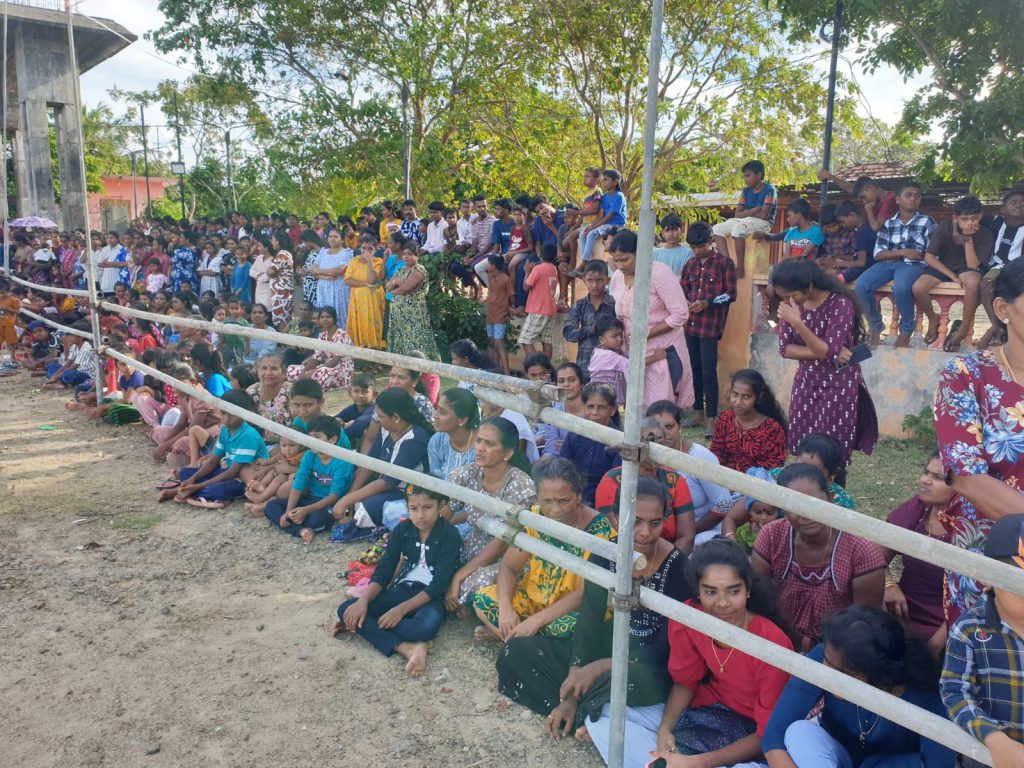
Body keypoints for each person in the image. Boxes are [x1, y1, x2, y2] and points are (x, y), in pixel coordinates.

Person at [499, 478, 692, 741]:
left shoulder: (677, 567)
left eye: (655, 523)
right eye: (635, 522)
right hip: (608, 647)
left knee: (628, 681)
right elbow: (589, 619)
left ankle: (586, 711)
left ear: (665, 520)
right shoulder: (605, 554)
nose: (645, 532)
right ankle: (583, 710)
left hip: (648, 665)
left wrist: (600, 667)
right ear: (616, 518)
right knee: (515, 651)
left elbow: (665, 648)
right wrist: (576, 677)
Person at [590, 538, 794, 768]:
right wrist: (664, 731)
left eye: (733, 591)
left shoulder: (772, 643)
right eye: (711, 592)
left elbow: (768, 734)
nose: (723, 603)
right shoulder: (691, 617)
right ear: (698, 591)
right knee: (605, 718)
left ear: (747, 589)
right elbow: (685, 683)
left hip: (754, 732)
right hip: (709, 711)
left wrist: (697, 763)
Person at [933, 257, 1024, 623]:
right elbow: (966, 476)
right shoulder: (967, 375)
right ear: (1002, 309)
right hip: (990, 554)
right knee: (990, 654)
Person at [763, 606, 955, 768]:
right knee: (799, 732)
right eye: (826, 663)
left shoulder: (928, 700)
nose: (828, 676)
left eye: (843, 673)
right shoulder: (827, 657)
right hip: (833, 756)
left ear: (881, 676)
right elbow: (773, 737)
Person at [473, 458, 613, 641]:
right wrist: (506, 609)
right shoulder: (535, 516)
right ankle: (523, 639)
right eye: (547, 501)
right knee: (483, 599)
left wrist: (537, 620)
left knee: (573, 627)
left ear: (578, 495)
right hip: (535, 600)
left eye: (564, 501)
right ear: (538, 497)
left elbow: (584, 593)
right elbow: (509, 566)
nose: (555, 510)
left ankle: (513, 637)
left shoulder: (599, 531)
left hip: (570, 609)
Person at [752, 463, 885, 651]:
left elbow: (863, 625)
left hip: (840, 648)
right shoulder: (772, 535)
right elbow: (760, 598)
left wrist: (823, 650)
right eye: (794, 506)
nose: (806, 515)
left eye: (814, 503)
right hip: (781, 636)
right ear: (783, 508)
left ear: (831, 498)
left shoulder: (861, 550)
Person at [334, 485, 462, 678]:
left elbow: (439, 584)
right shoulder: (402, 530)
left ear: (441, 506)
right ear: (407, 507)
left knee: (423, 628)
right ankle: (407, 648)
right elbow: (385, 569)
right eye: (414, 508)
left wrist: (399, 611)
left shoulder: (450, 534)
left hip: (431, 597)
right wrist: (363, 601)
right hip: (404, 588)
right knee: (347, 609)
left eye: (427, 507)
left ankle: (371, 626)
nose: (420, 515)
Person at [772, 258, 878, 467]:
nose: (787, 301)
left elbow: (827, 352)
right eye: (782, 297)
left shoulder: (840, 304)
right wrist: (827, 350)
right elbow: (786, 349)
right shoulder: (792, 306)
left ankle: (833, 488)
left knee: (832, 450)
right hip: (806, 382)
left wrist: (798, 323)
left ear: (809, 286)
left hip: (838, 385)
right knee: (803, 447)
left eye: (791, 295)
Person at [941, 513, 1024, 768]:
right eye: (1020, 584)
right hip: (993, 753)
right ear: (988, 578)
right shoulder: (969, 630)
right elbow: (955, 690)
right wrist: (995, 740)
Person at [446, 417, 536, 610]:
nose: (480, 448)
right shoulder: (467, 474)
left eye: (489, 444)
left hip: (508, 556)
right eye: (478, 440)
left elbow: (501, 543)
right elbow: (444, 516)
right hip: (473, 547)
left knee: (474, 583)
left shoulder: (520, 485)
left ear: (507, 453)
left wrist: (460, 575)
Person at [331, 387, 433, 542]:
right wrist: (349, 495)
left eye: (381, 416)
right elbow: (370, 463)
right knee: (346, 491)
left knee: (366, 508)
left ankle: (378, 527)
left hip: (408, 492)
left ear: (396, 417)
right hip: (383, 485)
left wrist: (347, 500)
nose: (377, 420)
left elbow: (389, 482)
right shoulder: (386, 428)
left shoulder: (415, 439)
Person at [609, 229, 693, 411]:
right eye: (616, 260)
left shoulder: (658, 273)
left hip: (661, 351)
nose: (620, 265)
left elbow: (680, 314)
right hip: (631, 353)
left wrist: (646, 334)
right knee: (634, 408)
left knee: (659, 411)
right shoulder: (617, 277)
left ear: (639, 253)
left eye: (625, 259)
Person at [854, 182, 937, 348]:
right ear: (898, 199)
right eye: (909, 195)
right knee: (861, 286)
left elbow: (933, 252)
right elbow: (878, 253)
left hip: (913, 264)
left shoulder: (927, 222)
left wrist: (911, 255)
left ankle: (906, 330)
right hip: (888, 263)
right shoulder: (889, 223)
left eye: (917, 195)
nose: (913, 199)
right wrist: (903, 252)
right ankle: (875, 325)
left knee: (901, 288)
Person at [883, 452, 953, 651]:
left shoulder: (972, 528)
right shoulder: (920, 508)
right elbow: (874, 554)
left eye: (937, 477)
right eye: (925, 472)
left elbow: (974, 600)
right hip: (900, 614)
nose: (925, 480)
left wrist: (935, 647)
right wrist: (888, 584)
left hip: (946, 627)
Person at [594, 417, 697, 552]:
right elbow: (614, 535)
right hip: (623, 556)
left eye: (659, 441)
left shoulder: (675, 481)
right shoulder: (612, 481)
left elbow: (686, 537)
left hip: (669, 555)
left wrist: (668, 562)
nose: (653, 447)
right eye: (648, 441)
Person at [913, 194, 994, 352]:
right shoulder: (945, 227)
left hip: (968, 267)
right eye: (965, 219)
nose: (970, 223)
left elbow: (972, 265)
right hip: (945, 266)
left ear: (980, 216)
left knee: (972, 283)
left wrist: (968, 239)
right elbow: (929, 257)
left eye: (974, 218)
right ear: (956, 219)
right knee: (918, 287)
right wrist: (952, 276)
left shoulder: (986, 234)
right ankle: (933, 318)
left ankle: (963, 327)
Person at [680, 221, 738, 435]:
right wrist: (687, 301)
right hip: (690, 326)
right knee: (694, 370)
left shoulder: (725, 263)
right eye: (693, 247)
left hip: (710, 328)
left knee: (708, 372)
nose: (697, 251)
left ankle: (712, 418)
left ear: (711, 241)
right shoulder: (690, 264)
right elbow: (683, 288)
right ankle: (698, 413)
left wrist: (708, 303)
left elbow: (731, 294)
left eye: (700, 246)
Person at [646, 400, 733, 537]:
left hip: (702, 530)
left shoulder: (700, 457)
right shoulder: (644, 458)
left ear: (679, 426)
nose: (663, 433)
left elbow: (724, 505)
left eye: (669, 427)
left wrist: (686, 533)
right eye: (656, 428)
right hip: (654, 532)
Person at [171, 389, 269, 509]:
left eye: (231, 414)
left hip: (243, 479)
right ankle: (193, 492)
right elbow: (213, 461)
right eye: (223, 413)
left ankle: (190, 492)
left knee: (217, 490)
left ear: (243, 414)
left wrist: (198, 486)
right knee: (185, 473)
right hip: (227, 471)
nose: (226, 419)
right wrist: (193, 479)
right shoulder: (225, 430)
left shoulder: (248, 436)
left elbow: (233, 473)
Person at [263, 415, 352, 542]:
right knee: (271, 506)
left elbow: (334, 496)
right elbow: (298, 483)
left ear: (332, 440)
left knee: (317, 519)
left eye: (316, 437)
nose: (311, 442)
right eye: (309, 437)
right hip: (310, 497)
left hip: (329, 504)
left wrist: (305, 510)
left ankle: (300, 526)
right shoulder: (309, 455)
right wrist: (288, 511)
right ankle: (301, 530)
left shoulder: (343, 462)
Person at [711, 369, 788, 474]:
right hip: (723, 478)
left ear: (758, 397)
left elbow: (772, 470)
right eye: (735, 394)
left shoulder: (772, 429)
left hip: (756, 481)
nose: (738, 402)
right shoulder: (725, 418)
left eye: (746, 397)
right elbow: (716, 454)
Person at [560, 383, 623, 507]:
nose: (595, 412)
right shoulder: (575, 433)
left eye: (601, 407)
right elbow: (563, 466)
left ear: (612, 410)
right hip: (574, 495)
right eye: (590, 407)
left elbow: (615, 479)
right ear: (584, 407)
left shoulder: (618, 440)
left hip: (607, 500)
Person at [712, 160, 777, 275]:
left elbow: (763, 215)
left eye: (748, 175)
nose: (745, 179)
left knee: (738, 229)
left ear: (759, 175)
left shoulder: (769, 190)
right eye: (744, 176)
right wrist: (755, 209)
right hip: (744, 220)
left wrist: (746, 212)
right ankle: (728, 264)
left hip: (763, 223)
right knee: (717, 229)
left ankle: (740, 268)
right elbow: (737, 214)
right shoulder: (745, 191)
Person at [978, 190, 1024, 348]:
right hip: (998, 266)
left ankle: (1002, 331)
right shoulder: (997, 222)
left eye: (1022, 203)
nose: (1019, 206)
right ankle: (996, 325)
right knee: (986, 284)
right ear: (1003, 209)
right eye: (1013, 203)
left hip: (1019, 268)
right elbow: (970, 215)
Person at [563, 259, 616, 381]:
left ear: (607, 280)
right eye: (590, 280)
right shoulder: (580, 305)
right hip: (585, 367)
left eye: (599, 280)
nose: (594, 285)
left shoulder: (614, 304)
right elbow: (568, 334)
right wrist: (591, 329)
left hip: (610, 367)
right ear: (584, 280)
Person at [385, 242, 438, 359]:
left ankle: (418, 363)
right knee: (401, 337)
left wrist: (393, 290)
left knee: (413, 337)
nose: (406, 257)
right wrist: (396, 282)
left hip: (413, 312)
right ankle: (401, 363)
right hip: (398, 314)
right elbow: (388, 286)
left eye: (409, 254)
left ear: (417, 256)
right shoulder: (401, 269)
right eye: (404, 254)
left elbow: (406, 288)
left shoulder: (419, 269)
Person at [284, 306, 354, 391]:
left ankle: (309, 383)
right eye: (322, 317)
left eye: (328, 317)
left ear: (335, 318)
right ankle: (310, 382)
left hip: (340, 371)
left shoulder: (342, 335)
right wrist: (304, 371)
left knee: (323, 372)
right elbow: (316, 359)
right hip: (323, 368)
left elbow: (334, 362)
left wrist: (312, 372)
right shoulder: (322, 335)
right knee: (291, 369)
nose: (325, 319)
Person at [344, 235, 386, 350]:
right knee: (360, 322)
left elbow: (372, 280)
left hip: (373, 300)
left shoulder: (378, 262)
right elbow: (347, 280)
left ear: (375, 250)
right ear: (360, 248)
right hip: (357, 299)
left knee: (374, 323)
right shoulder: (354, 261)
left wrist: (369, 262)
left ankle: (376, 350)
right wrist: (365, 284)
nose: (366, 251)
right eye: (363, 248)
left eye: (370, 249)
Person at [520, 243, 560, 359]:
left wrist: (527, 271)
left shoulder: (539, 268)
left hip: (538, 309)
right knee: (546, 340)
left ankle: (536, 365)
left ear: (540, 254)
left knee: (526, 340)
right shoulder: (553, 268)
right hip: (550, 309)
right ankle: (546, 368)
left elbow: (526, 287)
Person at [539, 362, 588, 457]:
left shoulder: (594, 412)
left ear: (581, 384)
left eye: (572, 380)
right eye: (561, 381)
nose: (566, 384)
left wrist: (572, 446)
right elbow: (551, 451)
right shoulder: (553, 414)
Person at [579, 169, 627, 266]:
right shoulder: (604, 197)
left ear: (615, 182)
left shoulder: (619, 196)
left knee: (591, 234)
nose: (603, 182)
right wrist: (591, 226)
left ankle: (584, 262)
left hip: (615, 225)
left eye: (606, 180)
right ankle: (585, 259)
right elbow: (601, 216)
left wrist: (592, 228)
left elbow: (609, 217)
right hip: (605, 224)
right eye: (603, 180)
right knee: (582, 233)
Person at [245, 353, 292, 443]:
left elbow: (297, 426)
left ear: (284, 372)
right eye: (264, 368)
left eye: (274, 368)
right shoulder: (252, 391)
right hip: (256, 442)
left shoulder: (290, 391)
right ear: (258, 371)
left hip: (287, 445)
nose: (268, 373)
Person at [310, 228, 352, 327]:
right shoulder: (323, 252)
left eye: (335, 237)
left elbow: (338, 271)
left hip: (339, 293)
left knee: (339, 317)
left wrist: (321, 272)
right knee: (324, 317)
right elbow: (313, 271)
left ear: (342, 240)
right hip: (323, 291)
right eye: (330, 236)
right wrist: (327, 276)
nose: (332, 239)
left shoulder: (347, 253)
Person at [827, 200, 875, 283]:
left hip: (867, 268)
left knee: (834, 280)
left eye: (843, 221)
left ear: (851, 215)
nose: (843, 224)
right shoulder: (865, 228)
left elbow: (861, 263)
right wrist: (839, 257)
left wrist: (837, 263)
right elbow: (858, 258)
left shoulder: (862, 232)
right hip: (868, 266)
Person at [483, 255, 514, 375]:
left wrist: (510, 309)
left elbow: (512, 297)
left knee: (498, 342)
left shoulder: (506, 279)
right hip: (490, 314)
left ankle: (507, 373)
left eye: (489, 264)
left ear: (493, 266)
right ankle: (496, 370)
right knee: (492, 342)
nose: (487, 266)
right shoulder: (491, 276)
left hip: (500, 314)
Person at [335, 373, 377, 446]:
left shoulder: (374, 409)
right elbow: (332, 420)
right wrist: (338, 422)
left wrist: (343, 428)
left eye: (365, 392)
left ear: (374, 395)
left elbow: (357, 428)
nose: (360, 395)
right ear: (350, 393)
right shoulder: (352, 408)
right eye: (356, 391)